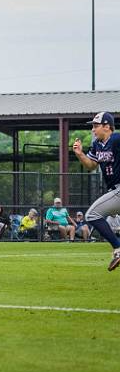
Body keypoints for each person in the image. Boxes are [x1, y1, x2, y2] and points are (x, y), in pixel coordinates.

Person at [73, 111, 120, 269]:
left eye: (96, 125)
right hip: (114, 191)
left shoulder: (116, 139)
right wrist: (80, 155)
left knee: (92, 215)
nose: (93, 129)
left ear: (107, 126)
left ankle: (118, 248)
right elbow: (91, 165)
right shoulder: (97, 144)